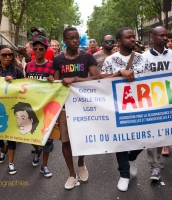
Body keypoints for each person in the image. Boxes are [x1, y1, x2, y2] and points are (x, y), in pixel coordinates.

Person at [101, 27, 152, 192]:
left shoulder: (143, 59)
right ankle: (124, 174)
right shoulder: (111, 60)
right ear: (120, 41)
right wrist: (119, 73)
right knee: (120, 141)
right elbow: (101, 80)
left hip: (140, 106)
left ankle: (131, 158)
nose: (133, 39)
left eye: (134, 37)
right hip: (117, 107)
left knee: (145, 137)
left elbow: (152, 80)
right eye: (129, 37)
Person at [52, 27, 100, 189]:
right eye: (71, 38)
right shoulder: (58, 60)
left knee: (81, 138)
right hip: (65, 107)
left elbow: (96, 78)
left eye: (77, 37)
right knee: (66, 141)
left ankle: (81, 162)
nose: (75, 40)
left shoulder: (87, 57)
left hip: (83, 106)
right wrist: (53, 81)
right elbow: (57, 85)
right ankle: (72, 174)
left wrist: (76, 78)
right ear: (64, 41)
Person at [0, 45, 24, 175]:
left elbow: (23, 89)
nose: (8, 57)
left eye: (10, 54)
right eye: (4, 55)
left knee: (11, 135)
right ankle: (3, 148)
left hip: (12, 107)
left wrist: (13, 83)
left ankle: (11, 163)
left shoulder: (17, 72)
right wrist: (2, 80)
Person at [143, 26, 172, 180]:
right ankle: (154, 167)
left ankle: (159, 156)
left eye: (166, 35)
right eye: (161, 35)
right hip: (151, 102)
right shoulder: (144, 57)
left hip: (169, 101)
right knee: (152, 135)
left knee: (164, 133)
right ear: (153, 37)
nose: (164, 38)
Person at [25, 35, 55, 177]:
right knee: (30, 135)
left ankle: (44, 165)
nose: (37, 51)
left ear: (45, 50)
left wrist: (53, 81)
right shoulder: (28, 65)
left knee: (47, 138)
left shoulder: (52, 65)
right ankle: (37, 151)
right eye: (35, 49)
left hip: (47, 108)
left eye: (41, 49)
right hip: (31, 106)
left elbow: (58, 85)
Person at [162, 32, 172, 156]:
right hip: (163, 91)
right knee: (165, 118)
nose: (170, 43)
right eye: (169, 41)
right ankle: (165, 144)